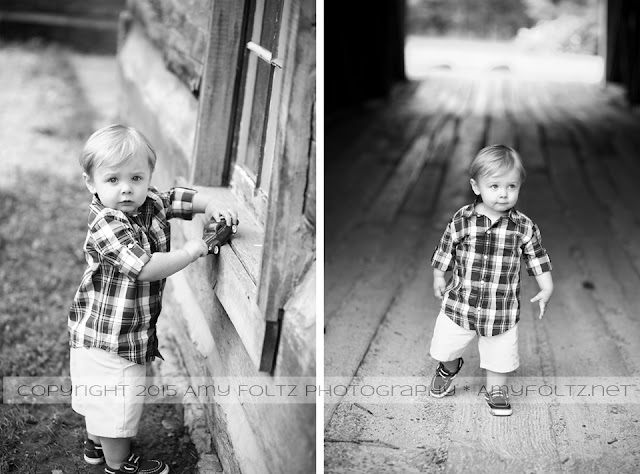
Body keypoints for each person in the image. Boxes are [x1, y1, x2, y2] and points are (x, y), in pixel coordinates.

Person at [68, 124, 238, 473]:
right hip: (111, 337)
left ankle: (96, 445)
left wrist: (211, 204)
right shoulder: (107, 223)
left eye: (136, 178)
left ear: (148, 177)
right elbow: (145, 267)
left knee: (103, 396)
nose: (127, 189)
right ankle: (119, 464)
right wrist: (195, 249)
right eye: (113, 180)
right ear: (92, 183)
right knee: (119, 400)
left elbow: (175, 198)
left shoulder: (146, 203)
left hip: (118, 330)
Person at [428, 144, 553, 416]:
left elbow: (536, 256)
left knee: (501, 355)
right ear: (476, 186)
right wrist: (439, 274)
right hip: (460, 303)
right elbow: (446, 245)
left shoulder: (524, 227)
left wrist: (546, 286)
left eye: (511, 187)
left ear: (519, 187)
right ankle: (447, 369)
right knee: (445, 347)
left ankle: (496, 390)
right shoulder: (464, 219)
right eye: (494, 186)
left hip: (501, 309)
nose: (503, 194)